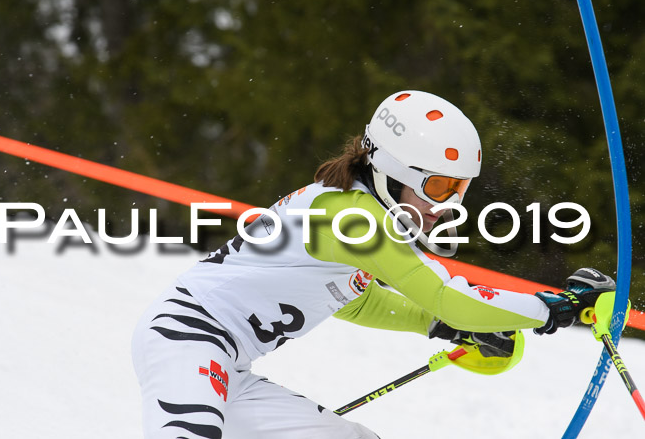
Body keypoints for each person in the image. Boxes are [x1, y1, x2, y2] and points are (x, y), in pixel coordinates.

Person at [131, 90, 616, 439]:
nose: (447, 205)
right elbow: (451, 296)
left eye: (461, 189)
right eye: (441, 187)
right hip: (187, 340)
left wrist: (439, 327)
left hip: (228, 365)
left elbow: (352, 302)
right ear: (395, 171)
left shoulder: (352, 209)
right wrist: (559, 307)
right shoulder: (355, 219)